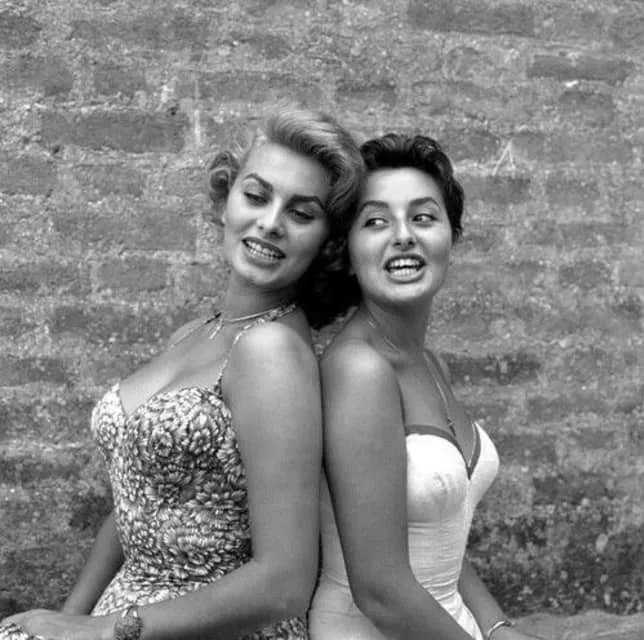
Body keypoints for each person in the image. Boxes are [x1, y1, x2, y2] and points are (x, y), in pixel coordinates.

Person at [0, 106, 365, 640]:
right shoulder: (196, 333)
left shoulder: (272, 351)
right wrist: (67, 620)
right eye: (256, 196)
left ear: (326, 242)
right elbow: (133, 502)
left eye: (301, 213)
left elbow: (283, 583)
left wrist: (102, 631)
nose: (270, 223)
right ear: (225, 199)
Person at [309, 133, 543, 640]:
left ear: (450, 237)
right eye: (376, 222)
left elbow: (444, 538)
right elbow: (380, 591)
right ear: (347, 250)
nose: (403, 236)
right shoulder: (359, 370)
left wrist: (497, 627)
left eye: (423, 217)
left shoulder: (429, 363)